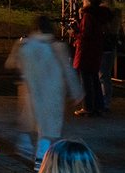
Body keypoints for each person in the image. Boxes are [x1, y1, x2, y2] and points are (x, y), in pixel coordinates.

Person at [6, 16, 84, 169]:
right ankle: (40, 158)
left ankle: (24, 147)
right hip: (51, 93)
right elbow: (67, 70)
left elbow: (10, 63)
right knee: (47, 129)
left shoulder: (24, 45)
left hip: (29, 90)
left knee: (27, 122)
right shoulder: (57, 47)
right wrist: (77, 91)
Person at [73, 0, 114, 117]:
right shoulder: (101, 15)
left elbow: (86, 35)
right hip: (96, 51)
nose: (83, 1)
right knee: (95, 79)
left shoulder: (88, 16)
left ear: (89, 1)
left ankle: (88, 107)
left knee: (86, 81)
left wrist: (74, 33)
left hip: (86, 51)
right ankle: (99, 106)